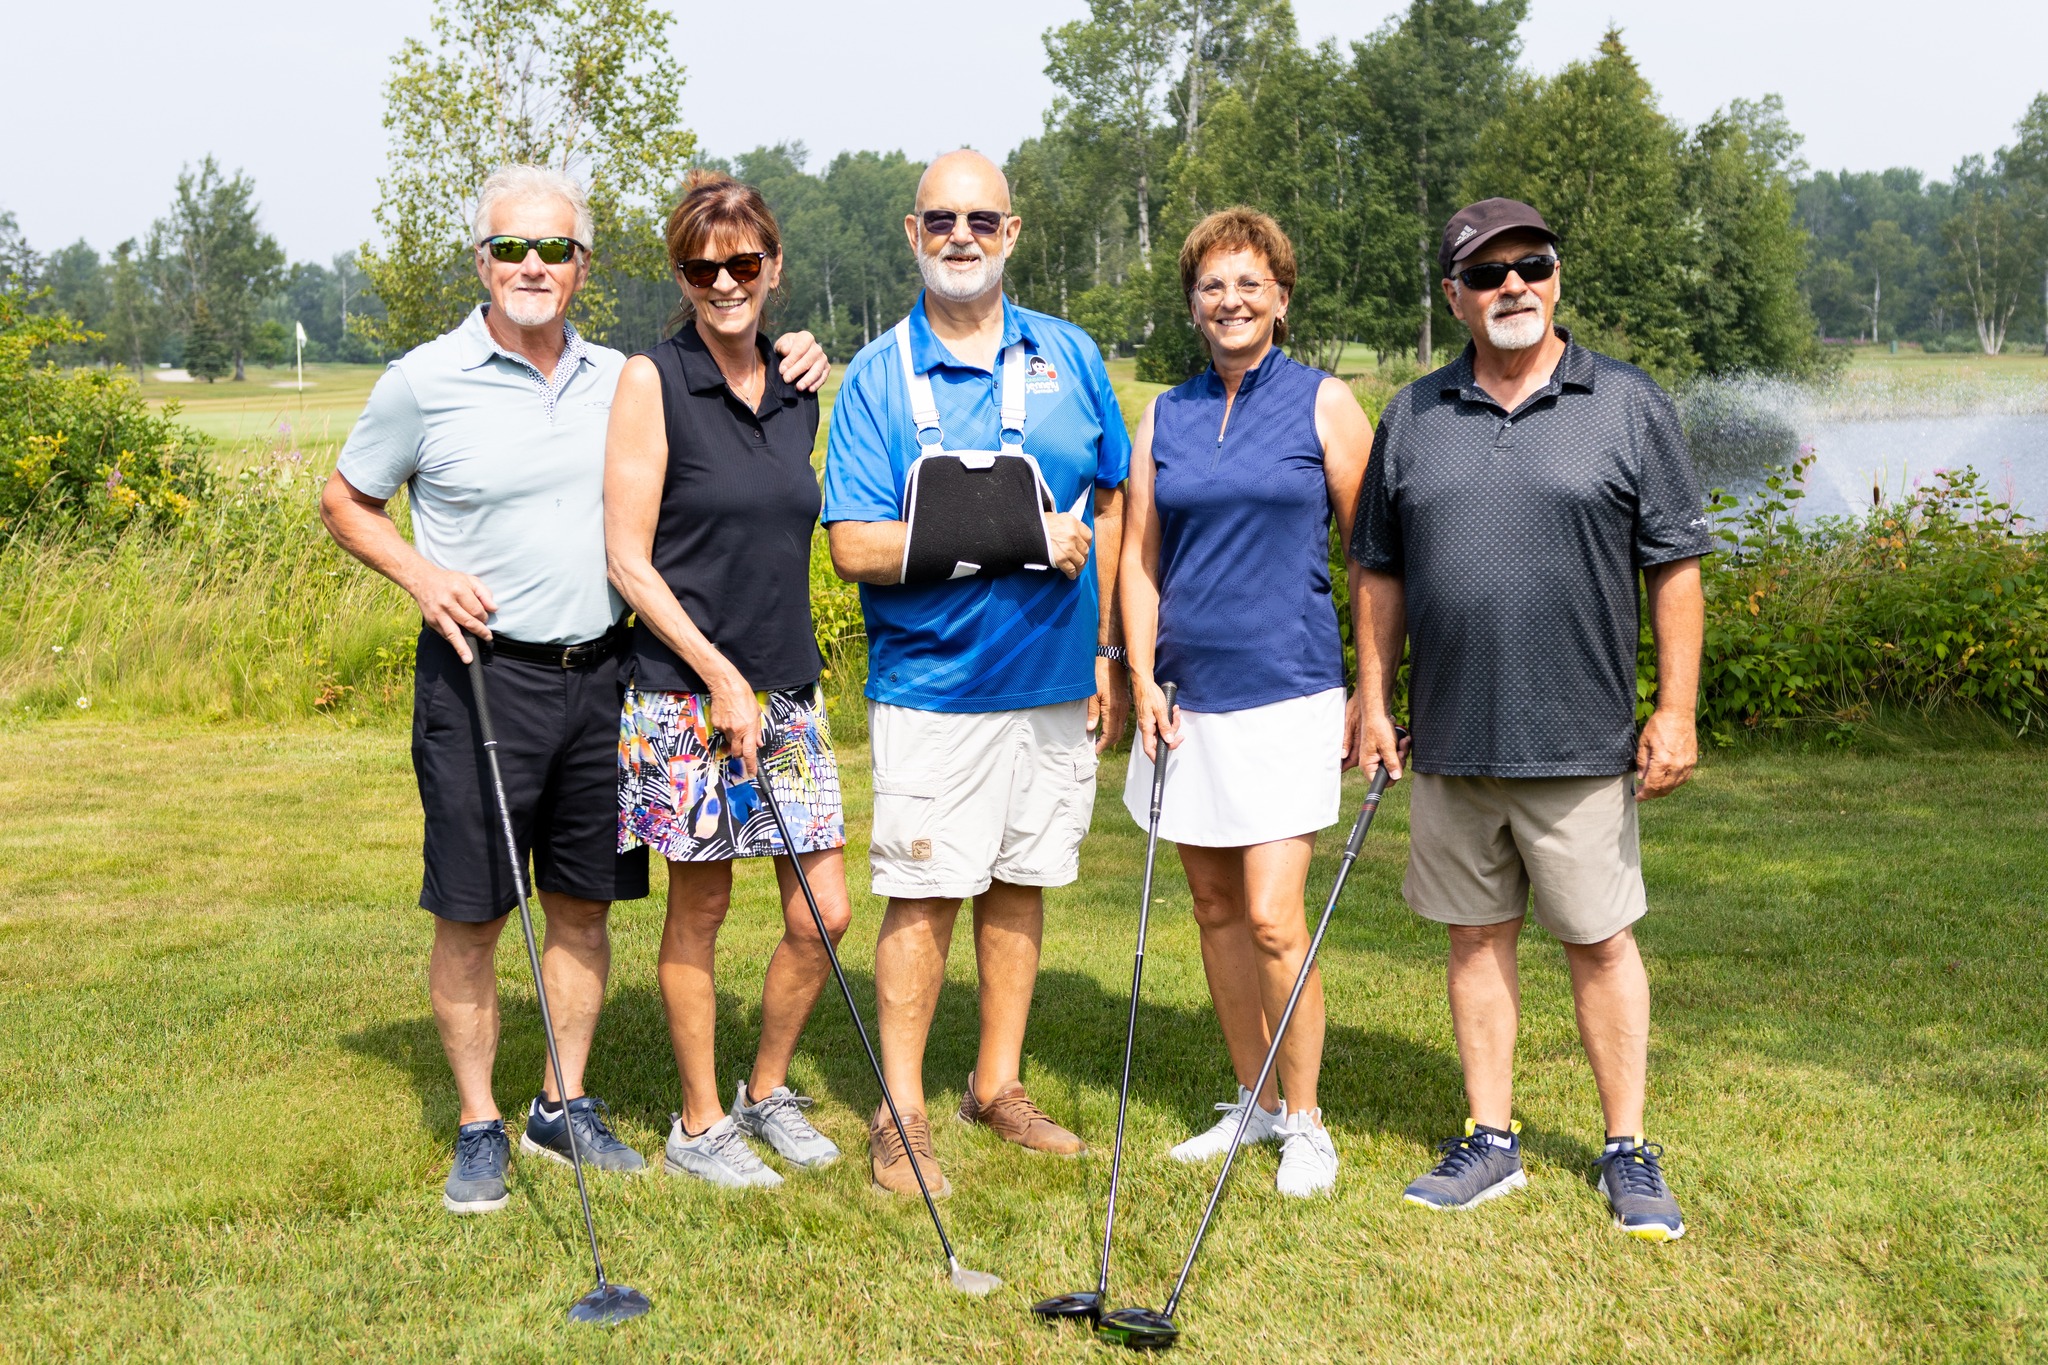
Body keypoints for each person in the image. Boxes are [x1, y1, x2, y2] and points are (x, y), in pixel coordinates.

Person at [320, 164, 826, 1216]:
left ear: (582, 266)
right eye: (511, 247)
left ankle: (563, 1101)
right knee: (472, 911)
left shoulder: (616, 375)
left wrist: (797, 352)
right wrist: (419, 573)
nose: (531, 267)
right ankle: (477, 1122)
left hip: (601, 672)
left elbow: (720, 393)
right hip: (481, 677)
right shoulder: (425, 379)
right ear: (482, 260)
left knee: (584, 908)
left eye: (553, 249)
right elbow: (345, 500)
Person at [1350, 198, 1709, 1240]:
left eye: (1532, 266)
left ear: (1553, 279)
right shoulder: (1412, 416)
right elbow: (1378, 574)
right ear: (1454, 296)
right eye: (1487, 272)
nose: (1513, 285)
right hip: (1451, 739)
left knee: (1598, 940)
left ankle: (1626, 1150)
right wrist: (1371, 702)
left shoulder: (1626, 403)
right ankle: (1490, 1139)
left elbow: (1674, 569)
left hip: (1580, 738)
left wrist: (1674, 709)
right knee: (1474, 937)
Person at [822, 148, 1131, 1198]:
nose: (962, 237)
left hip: (1051, 678)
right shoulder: (878, 376)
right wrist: (1015, 536)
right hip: (934, 685)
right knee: (922, 895)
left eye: (982, 221)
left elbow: (1115, 500)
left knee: (1021, 881)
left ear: (1012, 233)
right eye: (941, 220)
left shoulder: (1069, 354)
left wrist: (1107, 650)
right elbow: (856, 547)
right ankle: (899, 1113)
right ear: (912, 233)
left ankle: (994, 1085)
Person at [1119, 208, 1374, 1197]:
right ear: (1192, 302)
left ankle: (1304, 1118)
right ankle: (1252, 1102)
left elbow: (1368, 558)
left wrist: (1370, 688)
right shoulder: (1164, 415)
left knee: (1273, 918)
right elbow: (1140, 560)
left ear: (1279, 296)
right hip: (1185, 699)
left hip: (1289, 693)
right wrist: (1137, 676)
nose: (1229, 301)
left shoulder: (1323, 403)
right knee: (1214, 909)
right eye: (1211, 286)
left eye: (1248, 284)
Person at [604, 171, 850, 1190]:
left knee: (822, 913)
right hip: (681, 695)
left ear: (773, 268)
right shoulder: (649, 381)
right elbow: (626, 557)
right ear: (681, 273)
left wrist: (756, 684)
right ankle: (699, 1122)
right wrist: (716, 675)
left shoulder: (798, 384)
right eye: (701, 267)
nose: (723, 282)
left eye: (742, 263)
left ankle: (764, 1090)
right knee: (698, 912)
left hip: (787, 688)